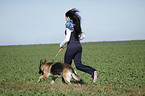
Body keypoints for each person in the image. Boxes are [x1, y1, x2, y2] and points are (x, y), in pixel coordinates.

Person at [60, 8, 97, 83]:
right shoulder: (77, 26)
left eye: (66, 18)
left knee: (66, 65)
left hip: (71, 47)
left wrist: (61, 45)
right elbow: (83, 36)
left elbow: (67, 39)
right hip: (78, 46)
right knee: (78, 65)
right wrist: (76, 41)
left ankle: (64, 82)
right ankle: (92, 71)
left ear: (68, 17)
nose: (65, 19)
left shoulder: (68, 26)